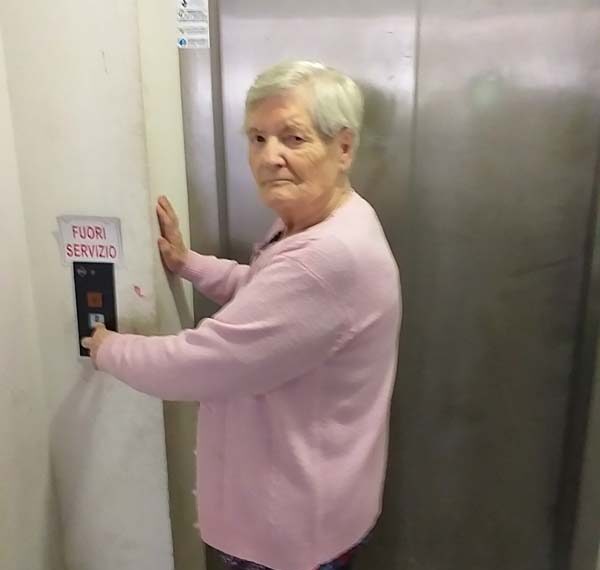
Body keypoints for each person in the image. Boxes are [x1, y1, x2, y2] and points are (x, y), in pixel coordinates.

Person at [83, 60, 401, 570]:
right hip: (314, 508)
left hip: (286, 536)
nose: (270, 157)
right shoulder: (334, 221)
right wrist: (190, 264)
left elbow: (201, 364)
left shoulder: (325, 257)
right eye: (257, 138)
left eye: (293, 138)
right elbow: (268, 295)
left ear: (343, 147)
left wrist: (106, 347)